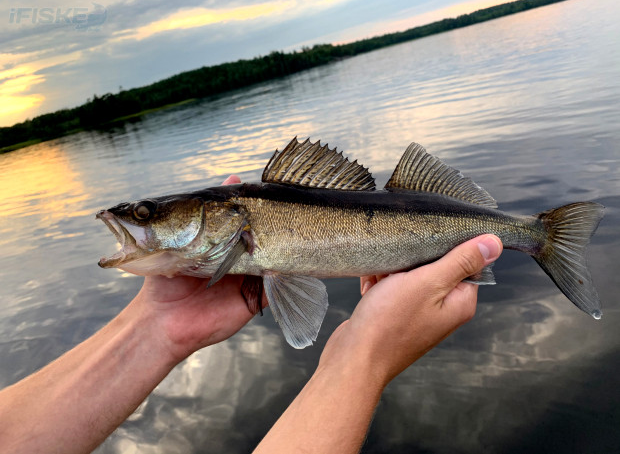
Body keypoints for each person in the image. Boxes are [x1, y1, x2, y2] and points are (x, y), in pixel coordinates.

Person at [0, 175, 503, 454]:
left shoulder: (247, 221)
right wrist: (365, 358)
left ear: (225, 213)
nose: (138, 222)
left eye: (149, 213)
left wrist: (155, 329)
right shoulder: (240, 242)